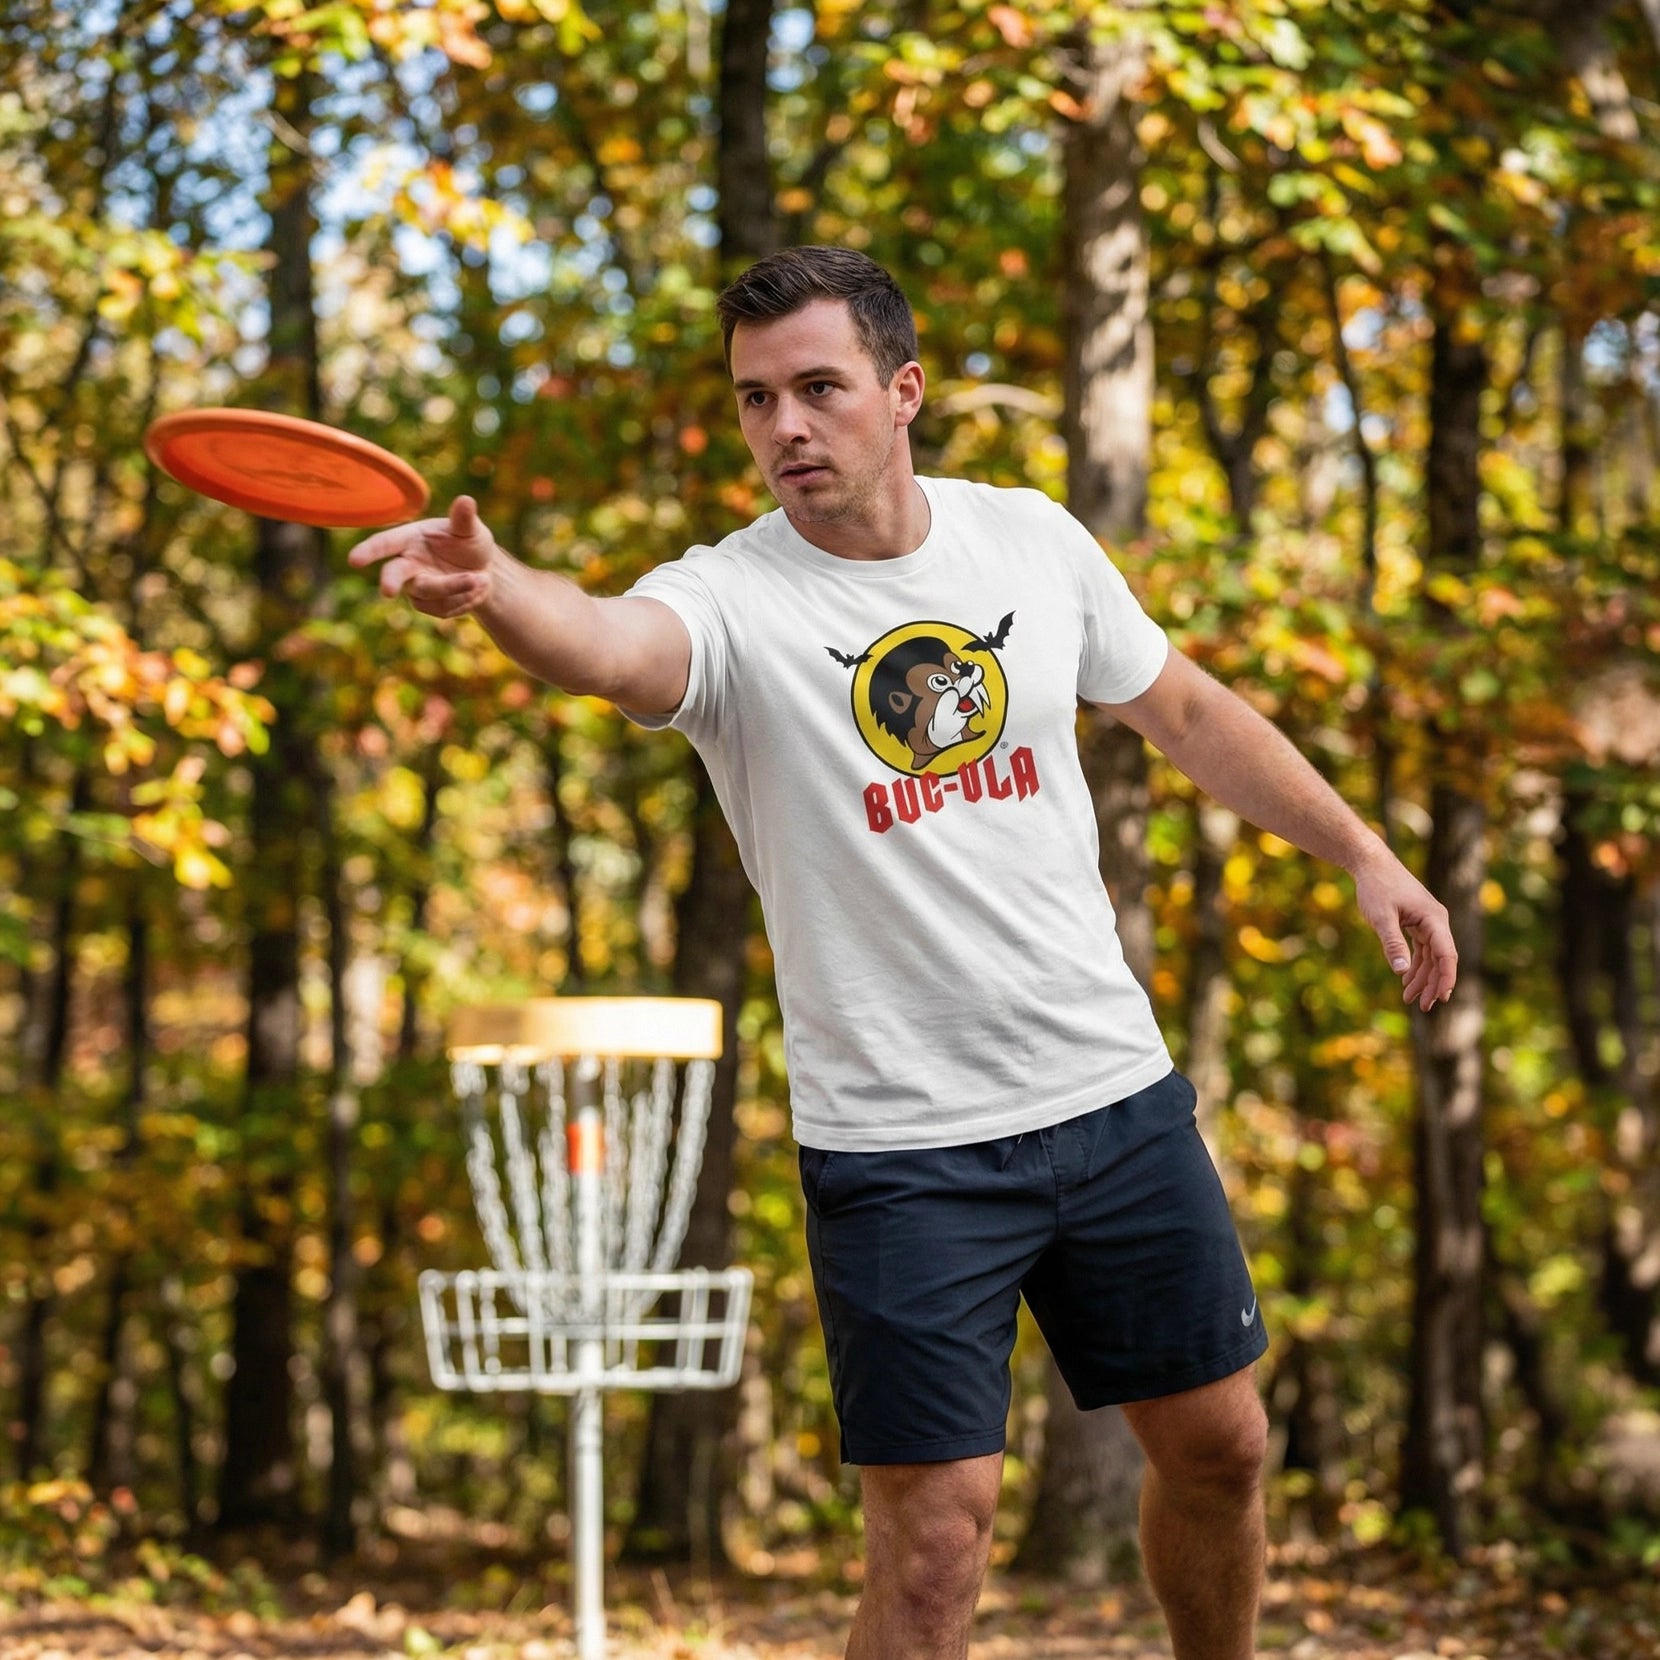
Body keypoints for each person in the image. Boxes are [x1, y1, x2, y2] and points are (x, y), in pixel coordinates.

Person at [351, 246, 1456, 1660]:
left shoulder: (1029, 541)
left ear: (905, 390)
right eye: (756, 400)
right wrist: (500, 588)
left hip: (1112, 1099)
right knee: (934, 1546)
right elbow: (611, 645)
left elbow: (1182, 709)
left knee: (1223, 1449)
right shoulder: (731, 601)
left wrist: (1362, 850)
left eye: (819, 388)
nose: (786, 427)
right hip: (903, 1150)